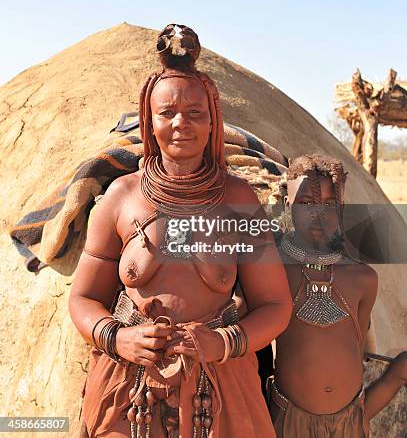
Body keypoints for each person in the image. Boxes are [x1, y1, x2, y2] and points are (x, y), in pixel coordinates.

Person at [69, 24, 292, 438]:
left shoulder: (238, 199)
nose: (180, 124)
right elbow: (83, 298)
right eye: (166, 113)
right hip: (127, 387)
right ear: (149, 122)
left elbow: (276, 305)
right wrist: (119, 339)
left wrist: (223, 342)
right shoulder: (121, 196)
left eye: (195, 113)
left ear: (213, 123)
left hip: (220, 388)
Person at [269, 154, 407, 437]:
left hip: (350, 423)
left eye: (329, 204)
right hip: (288, 420)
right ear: (287, 206)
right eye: (305, 203)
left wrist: (395, 376)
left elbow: (356, 348)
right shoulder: (274, 272)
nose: (317, 214)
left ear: (341, 208)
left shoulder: (363, 278)